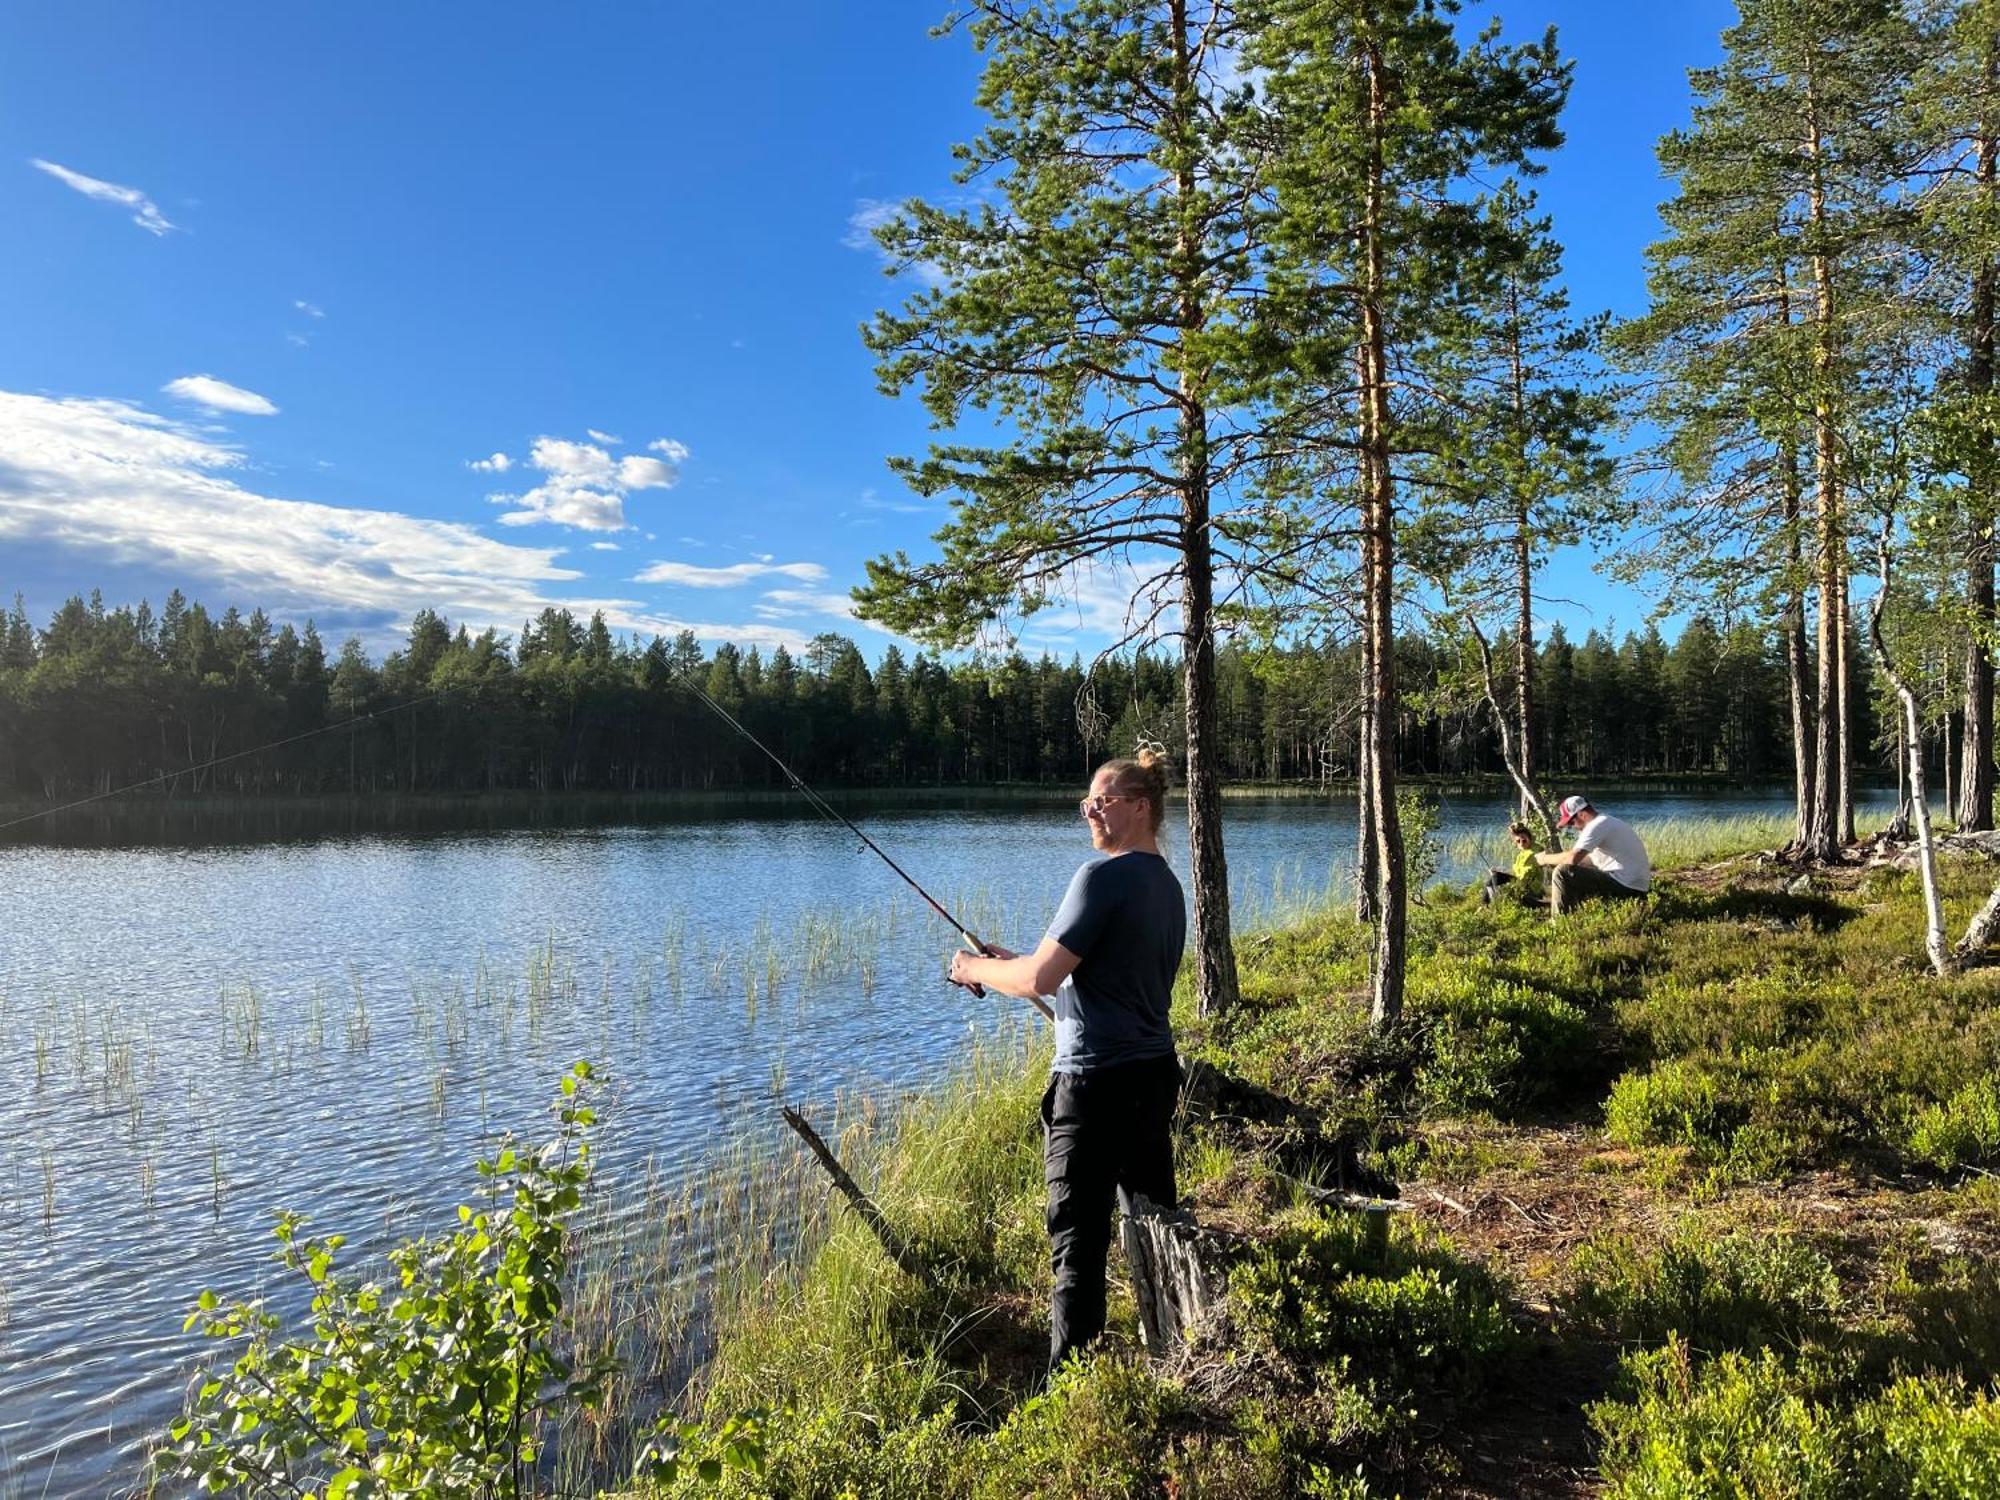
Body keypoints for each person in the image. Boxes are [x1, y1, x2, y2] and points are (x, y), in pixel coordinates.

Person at [949, 747, 1187, 1373]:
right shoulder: (1167, 886)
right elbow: (1086, 973)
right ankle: (1178, 1349)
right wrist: (1010, 965)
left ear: (1140, 807)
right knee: (1154, 1220)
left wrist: (975, 968)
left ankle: (1072, 1393)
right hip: (1154, 1075)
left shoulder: (1100, 877)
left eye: (1101, 801)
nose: (1088, 811)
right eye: (1086, 802)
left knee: (1078, 1243)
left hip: (1094, 1085)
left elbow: (1040, 979)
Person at [1537, 795, 1651, 915]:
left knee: (1562, 872)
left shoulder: (1596, 825)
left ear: (1582, 814)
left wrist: (1543, 859)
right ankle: (1576, 916)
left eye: (1571, 822)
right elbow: (1589, 860)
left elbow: (1572, 859)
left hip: (1626, 887)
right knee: (1574, 870)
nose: (1572, 827)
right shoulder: (1606, 821)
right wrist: (1558, 860)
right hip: (1634, 887)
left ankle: (1559, 924)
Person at [1480, 821, 1544, 906]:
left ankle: (1494, 903)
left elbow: (1525, 877)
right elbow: (1517, 874)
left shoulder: (1535, 852)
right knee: (1491, 880)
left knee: (1495, 877)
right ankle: (1485, 905)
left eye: (1524, 840)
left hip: (1530, 890)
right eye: (1518, 841)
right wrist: (1499, 872)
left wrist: (1505, 880)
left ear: (1530, 838)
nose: (1521, 843)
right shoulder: (1523, 853)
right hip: (1522, 884)